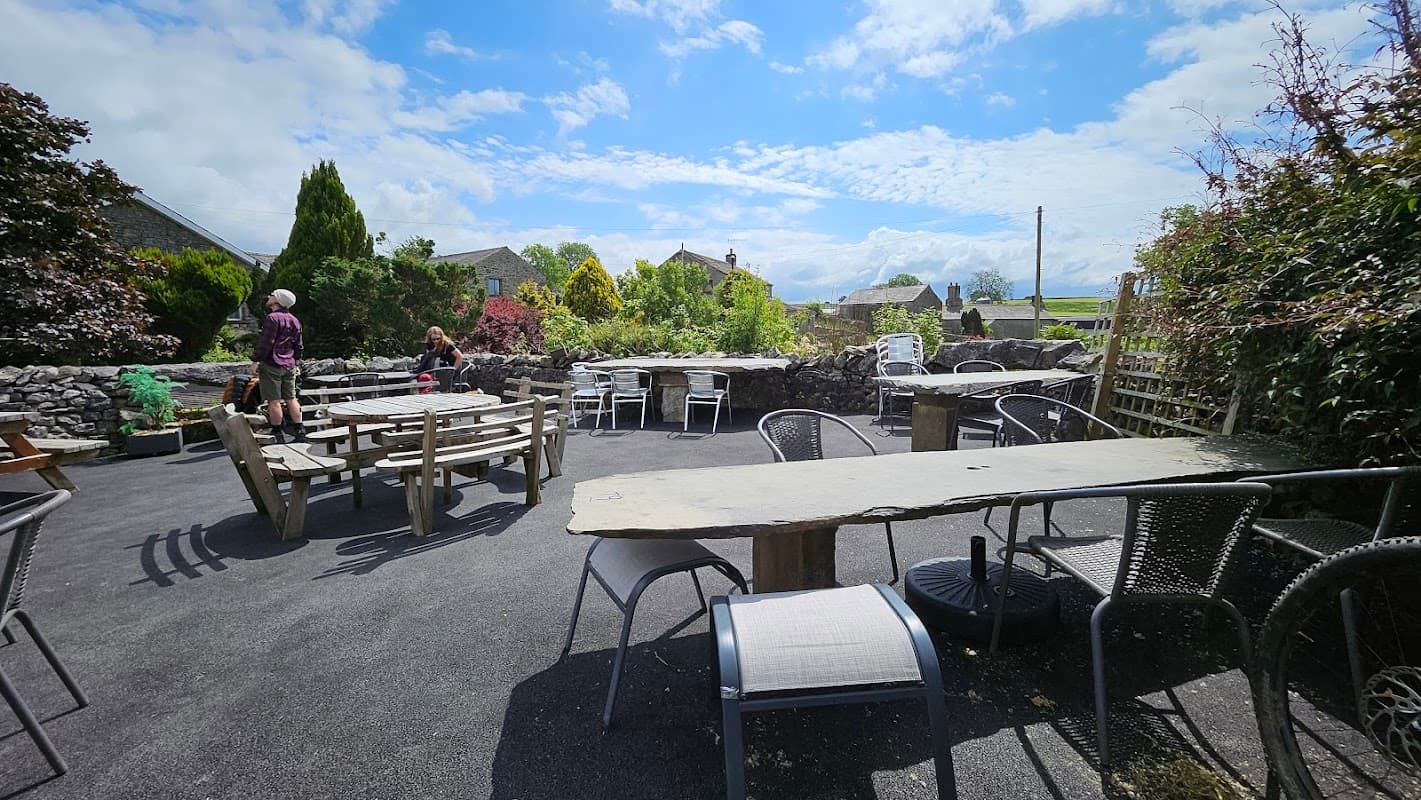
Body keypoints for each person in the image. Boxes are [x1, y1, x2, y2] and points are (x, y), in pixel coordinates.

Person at [251, 289, 306, 443]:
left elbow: (266, 343)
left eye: (273, 295)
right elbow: (299, 346)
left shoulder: (272, 318)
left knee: (273, 400)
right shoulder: (294, 320)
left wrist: (255, 361)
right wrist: (296, 362)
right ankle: (300, 432)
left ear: (278, 301)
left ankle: (278, 434)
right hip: (289, 364)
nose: (269, 296)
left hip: (272, 364)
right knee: (291, 398)